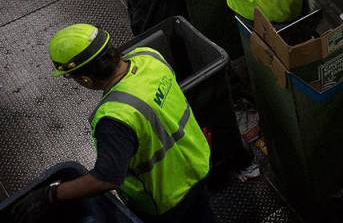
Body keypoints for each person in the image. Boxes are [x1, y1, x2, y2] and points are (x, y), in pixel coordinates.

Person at [12, 24, 216, 222]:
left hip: (168, 198)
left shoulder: (115, 116)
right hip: (197, 162)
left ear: (85, 80)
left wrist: (52, 194)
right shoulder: (148, 56)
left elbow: (106, 178)